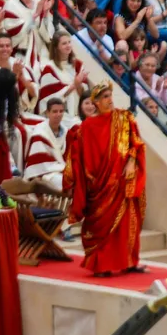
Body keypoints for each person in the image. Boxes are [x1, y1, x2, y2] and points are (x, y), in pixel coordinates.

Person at [62, 83, 145, 277]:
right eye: (105, 97)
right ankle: (101, 265)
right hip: (98, 185)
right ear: (96, 103)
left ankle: (130, 262)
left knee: (126, 223)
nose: (110, 99)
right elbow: (78, 156)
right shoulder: (87, 126)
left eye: (110, 95)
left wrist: (132, 161)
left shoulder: (124, 118)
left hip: (122, 181)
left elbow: (137, 143)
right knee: (100, 226)